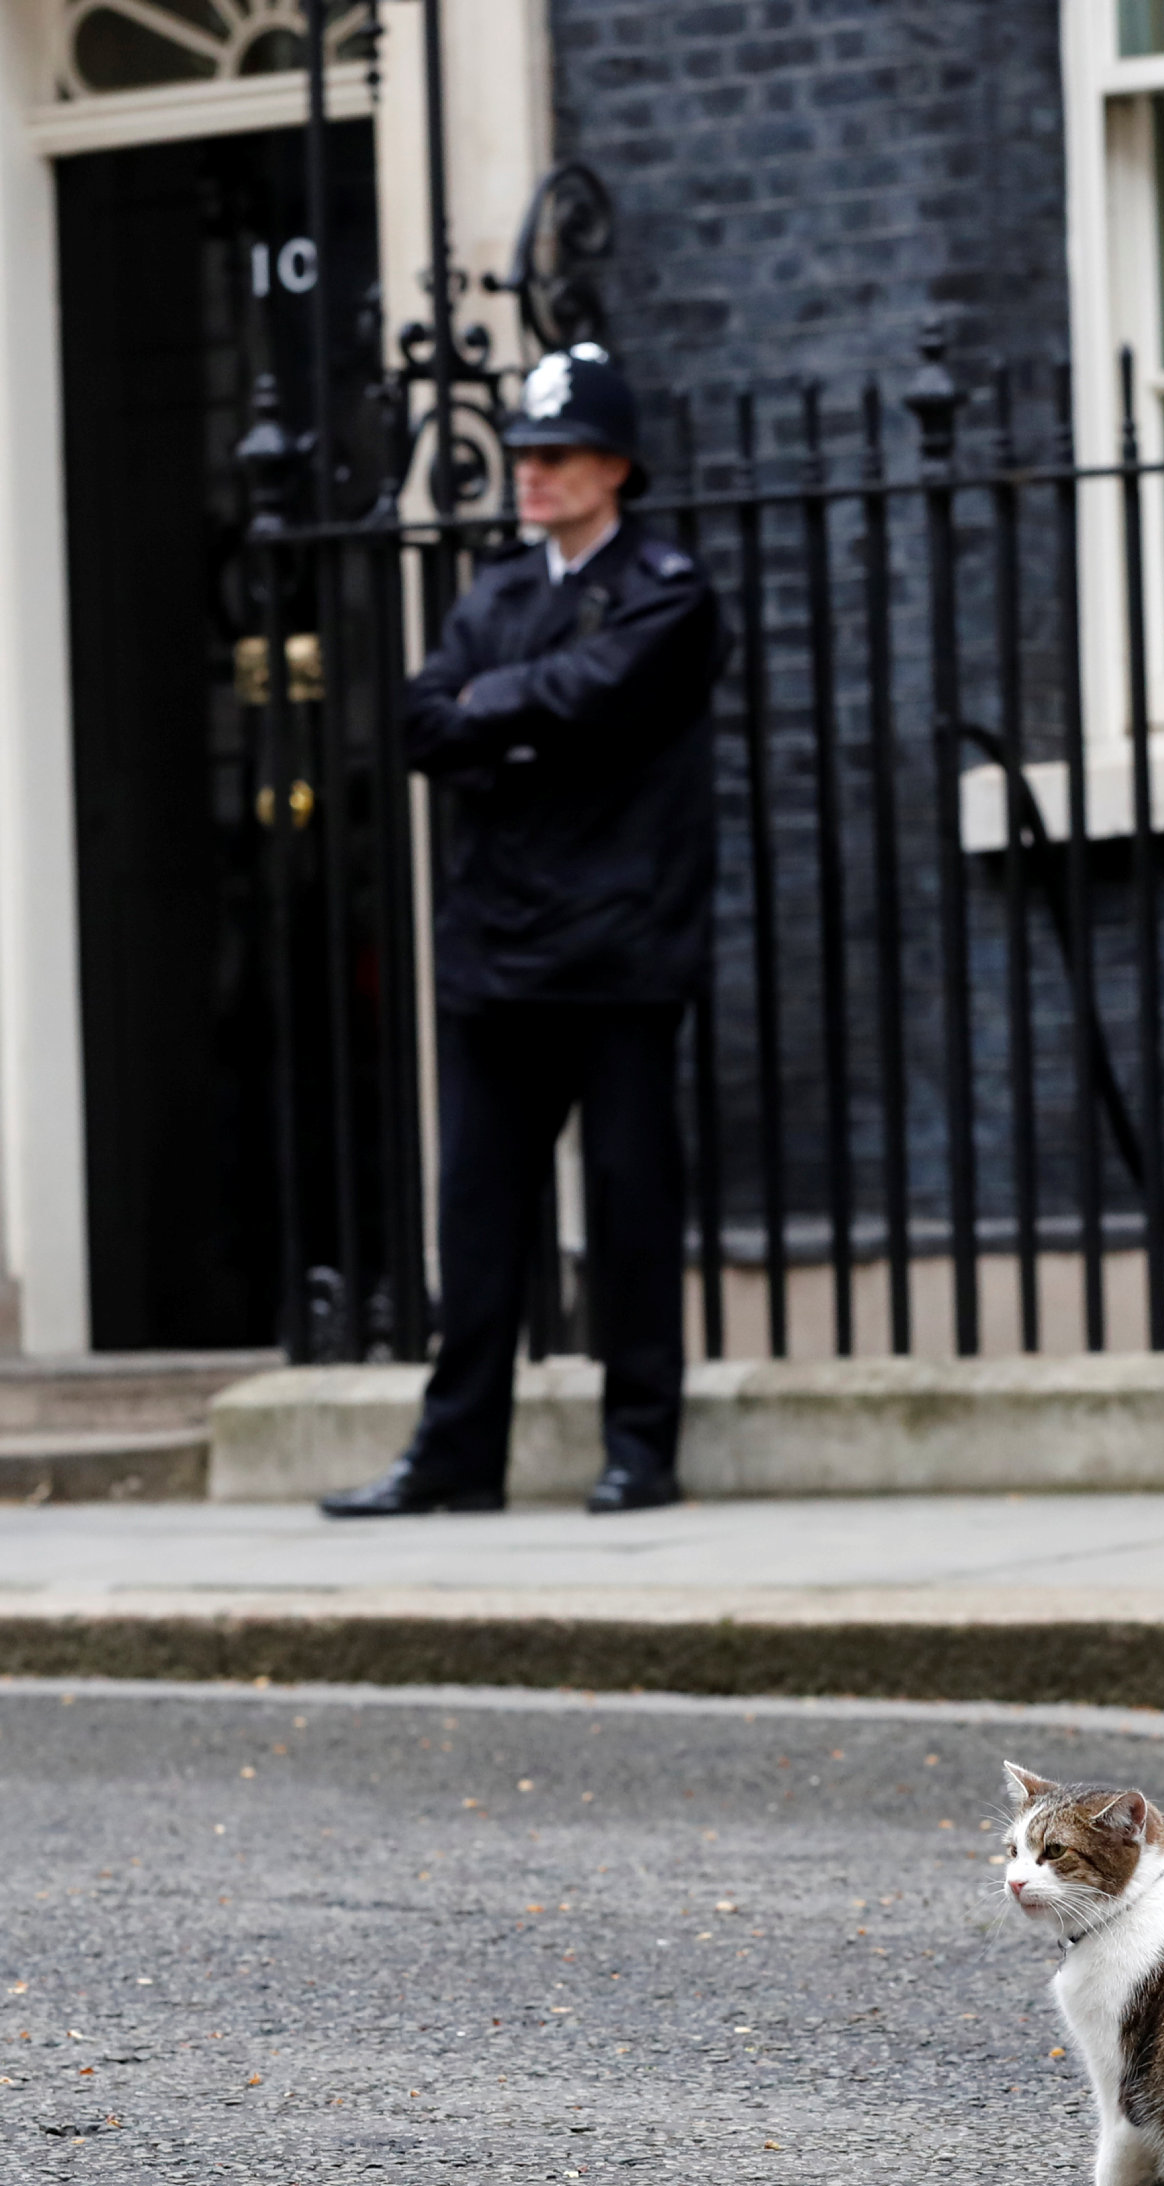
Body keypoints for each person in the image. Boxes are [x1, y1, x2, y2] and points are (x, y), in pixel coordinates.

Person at [320, 344, 727, 1519]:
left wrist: (496, 714)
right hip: (496, 947)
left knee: (628, 1203)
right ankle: (455, 1452)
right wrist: (518, 718)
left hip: (621, 944)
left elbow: (609, 696)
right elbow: (418, 720)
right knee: (479, 1213)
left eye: (552, 456)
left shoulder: (667, 588)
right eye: (523, 455)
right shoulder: (494, 592)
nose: (530, 475)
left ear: (613, 465)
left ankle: (639, 1446)